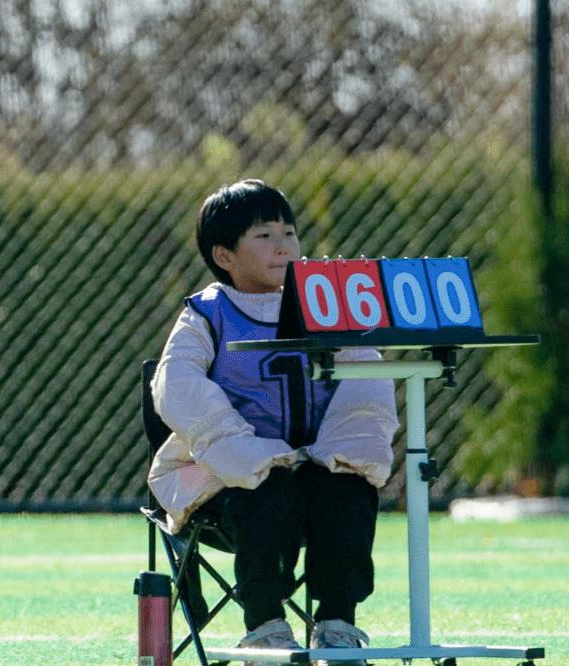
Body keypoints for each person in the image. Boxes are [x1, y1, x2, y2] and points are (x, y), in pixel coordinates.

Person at [147, 179, 398, 666]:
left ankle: (337, 625)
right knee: (269, 493)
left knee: (347, 490)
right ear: (224, 255)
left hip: (314, 462)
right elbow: (176, 386)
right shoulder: (207, 314)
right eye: (264, 236)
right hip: (226, 474)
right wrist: (245, 452)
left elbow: (367, 380)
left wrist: (340, 453)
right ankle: (263, 626)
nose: (283, 244)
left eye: (290, 232)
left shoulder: (325, 305)